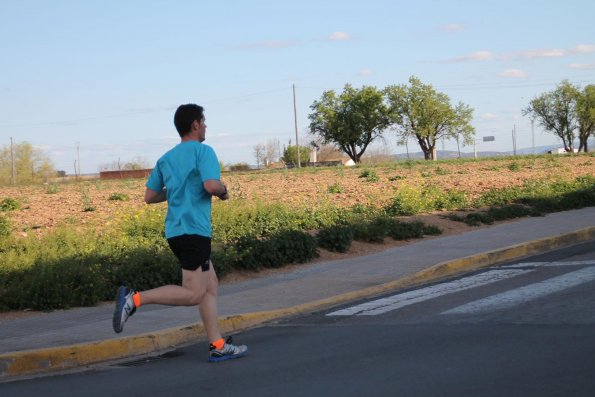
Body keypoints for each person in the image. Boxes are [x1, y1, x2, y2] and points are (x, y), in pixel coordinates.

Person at [112, 103, 247, 362]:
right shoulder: (204, 152)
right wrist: (224, 190)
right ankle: (134, 299)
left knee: (210, 285)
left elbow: (150, 196)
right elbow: (210, 185)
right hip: (195, 231)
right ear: (195, 124)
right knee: (194, 293)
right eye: (204, 121)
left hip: (175, 231)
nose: (206, 126)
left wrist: (174, 192)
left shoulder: (166, 158)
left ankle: (217, 344)